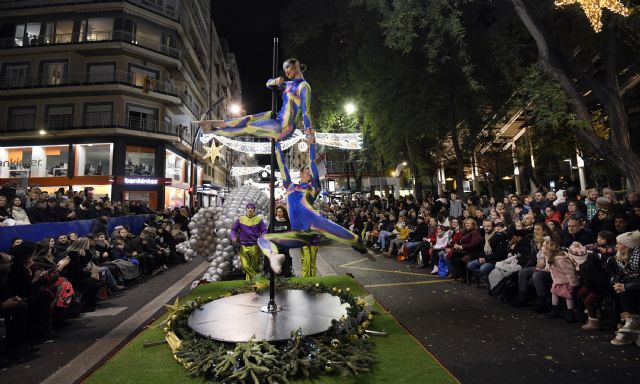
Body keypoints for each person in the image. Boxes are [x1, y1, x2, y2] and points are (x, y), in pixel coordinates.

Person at [257, 129, 367, 275]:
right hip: (300, 234)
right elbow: (282, 165)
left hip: (316, 226)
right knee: (264, 239)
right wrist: (276, 143)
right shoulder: (290, 186)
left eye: (310, 171)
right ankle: (274, 256)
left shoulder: (313, 187)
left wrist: (312, 144)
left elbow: (313, 164)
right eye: (307, 171)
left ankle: (356, 242)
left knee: (354, 239)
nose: (310, 172)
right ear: (301, 173)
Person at [194, 58, 311, 141]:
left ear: (296, 65)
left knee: (248, 128)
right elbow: (268, 84)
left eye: (288, 68)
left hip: (284, 127)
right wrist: (276, 81)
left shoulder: (303, 87)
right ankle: (211, 123)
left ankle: (212, 131)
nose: (286, 72)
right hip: (277, 118)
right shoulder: (289, 84)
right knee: (246, 119)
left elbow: (306, 112)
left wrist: (309, 132)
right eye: (284, 70)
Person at [610, 230, 640, 346]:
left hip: (636, 284)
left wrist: (626, 286)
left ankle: (632, 324)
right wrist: (616, 282)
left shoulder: (638, 256)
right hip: (631, 283)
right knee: (619, 290)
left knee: (625, 291)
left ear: (628, 246)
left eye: (619, 243)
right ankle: (631, 324)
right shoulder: (620, 256)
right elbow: (620, 273)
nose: (616, 246)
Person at [230, 202, 268, 280]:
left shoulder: (258, 219)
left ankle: (250, 284)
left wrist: (262, 237)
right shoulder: (241, 219)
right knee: (245, 266)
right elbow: (233, 229)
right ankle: (258, 279)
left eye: (252, 208)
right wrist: (233, 236)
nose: (250, 209)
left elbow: (264, 230)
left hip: (254, 246)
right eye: (248, 208)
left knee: (253, 267)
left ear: (254, 210)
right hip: (243, 246)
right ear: (246, 209)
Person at [271, 205, 293, 277]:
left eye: (280, 212)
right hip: (276, 246)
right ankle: (277, 276)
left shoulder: (287, 221)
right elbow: (269, 233)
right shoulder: (273, 221)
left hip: (285, 246)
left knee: (285, 260)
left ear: (283, 212)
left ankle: (286, 275)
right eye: (277, 212)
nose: (278, 213)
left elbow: (289, 233)